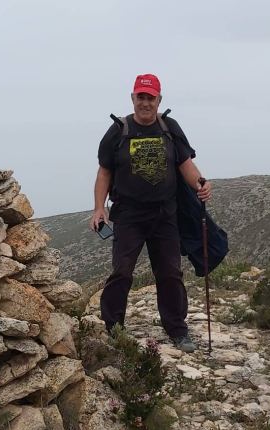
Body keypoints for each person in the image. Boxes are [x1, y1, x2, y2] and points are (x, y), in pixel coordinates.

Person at [90, 73, 212, 353]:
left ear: (159, 99)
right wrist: (99, 208)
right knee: (122, 272)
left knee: (170, 272)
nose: (145, 103)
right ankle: (113, 328)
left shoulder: (170, 128)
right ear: (132, 98)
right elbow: (104, 172)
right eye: (141, 97)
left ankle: (177, 329)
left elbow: (185, 164)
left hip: (164, 214)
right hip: (128, 215)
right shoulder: (118, 131)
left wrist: (200, 183)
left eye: (151, 97)